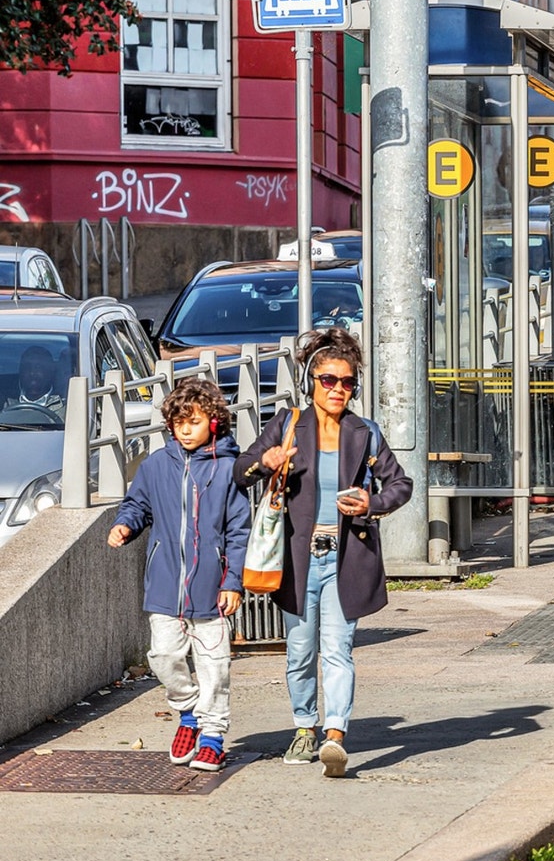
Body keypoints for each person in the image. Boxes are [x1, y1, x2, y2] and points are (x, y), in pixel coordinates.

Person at [234, 328, 413, 778]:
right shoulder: (288, 424)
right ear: (311, 381)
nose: (338, 390)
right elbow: (241, 471)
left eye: (347, 382)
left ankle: (335, 735)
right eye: (328, 380)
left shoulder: (364, 432)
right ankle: (304, 727)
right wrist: (267, 462)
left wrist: (371, 504)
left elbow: (400, 484)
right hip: (297, 559)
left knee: (338, 648)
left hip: (346, 555)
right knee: (299, 650)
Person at [108, 378, 250, 772]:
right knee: (165, 656)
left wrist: (233, 580)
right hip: (166, 585)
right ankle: (188, 712)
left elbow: (239, 529)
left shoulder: (228, 470)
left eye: (194, 421)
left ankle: (212, 736)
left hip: (212, 589)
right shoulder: (155, 466)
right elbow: (137, 505)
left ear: (214, 422)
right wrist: (125, 525)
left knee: (214, 666)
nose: (185, 429)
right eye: (178, 422)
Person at [5, 345, 65, 418]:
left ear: (50, 371)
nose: (32, 373)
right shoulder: (4, 403)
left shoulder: (66, 406)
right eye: (27, 367)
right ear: (20, 371)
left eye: (38, 367)